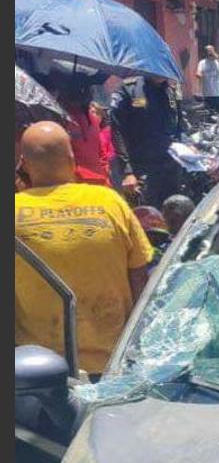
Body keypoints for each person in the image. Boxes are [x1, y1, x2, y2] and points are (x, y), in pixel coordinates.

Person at [15, 122, 153, 375]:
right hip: (113, 363)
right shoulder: (109, 202)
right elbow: (140, 276)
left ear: (23, 163)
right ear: (71, 158)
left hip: (37, 373)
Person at [109, 75, 184, 207]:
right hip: (142, 169)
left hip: (171, 169)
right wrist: (127, 171)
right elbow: (117, 131)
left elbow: (178, 128)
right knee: (146, 218)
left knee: (175, 217)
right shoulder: (129, 89)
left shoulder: (171, 91)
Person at [52, 74, 112, 187]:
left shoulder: (92, 118)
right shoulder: (59, 118)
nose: (86, 95)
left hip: (100, 183)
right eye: (80, 90)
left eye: (87, 91)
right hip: (74, 185)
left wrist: (105, 173)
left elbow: (101, 151)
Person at [196, 45, 219, 112]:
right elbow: (198, 73)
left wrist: (217, 58)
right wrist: (199, 75)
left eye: (211, 50)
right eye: (208, 50)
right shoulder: (202, 62)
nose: (210, 52)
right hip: (207, 93)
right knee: (209, 113)